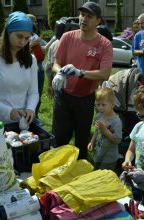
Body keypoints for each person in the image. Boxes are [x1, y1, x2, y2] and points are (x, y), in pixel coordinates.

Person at [51, 1, 113, 159]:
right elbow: (56, 63)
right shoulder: (67, 36)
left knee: (81, 139)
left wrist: (81, 73)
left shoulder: (104, 44)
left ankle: (79, 173)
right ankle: (57, 169)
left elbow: (105, 73)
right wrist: (59, 73)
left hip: (86, 98)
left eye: (89, 16)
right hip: (64, 95)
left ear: (98, 21)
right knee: (60, 138)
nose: (84, 19)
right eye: (82, 15)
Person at [0, 11, 39, 125]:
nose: (22, 42)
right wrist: (8, 111)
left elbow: (33, 92)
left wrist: (31, 108)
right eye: (19, 36)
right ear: (8, 32)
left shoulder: (31, 59)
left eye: (27, 38)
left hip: (22, 122)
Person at [87, 88, 122, 170]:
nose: (100, 108)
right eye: (97, 105)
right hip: (98, 152)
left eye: (103, 105)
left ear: (112, 105)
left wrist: (105, 130)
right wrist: (92, 142)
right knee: (95, 171)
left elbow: (117, 140)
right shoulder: (99, 116)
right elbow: (97, 131)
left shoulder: (116, 122)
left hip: (109, 157)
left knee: (103, 175)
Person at [27, 14, 47, 121]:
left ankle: (35, 115)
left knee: (37, 95)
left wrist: (42, 47)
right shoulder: (22, 36)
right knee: (27, 95)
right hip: (26, 71)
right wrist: (30, 45)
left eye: (36, 21)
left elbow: (45, 47)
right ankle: (27, 115)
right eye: (33, 21)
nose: (36, 23)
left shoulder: (36, 36)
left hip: (39, 71)